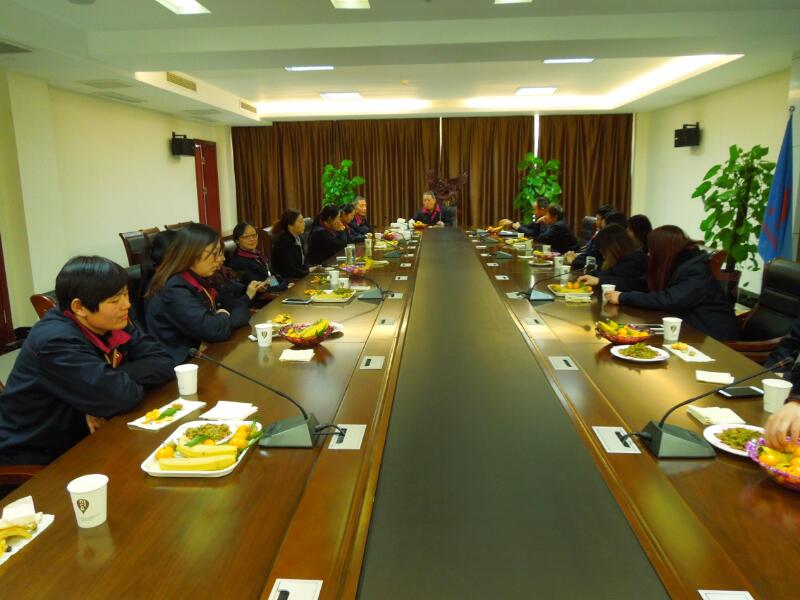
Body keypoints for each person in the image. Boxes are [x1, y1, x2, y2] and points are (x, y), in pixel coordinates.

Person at [0, 256, 175, 466]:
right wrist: (106, 389)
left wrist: (104, 385)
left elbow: (164, 361)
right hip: (38, 455)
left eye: (126, 294)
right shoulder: (56, 341)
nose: (127, 305)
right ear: (79, 307)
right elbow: (122, 396)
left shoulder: (108, 320)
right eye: (115, 300)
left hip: (87, 436)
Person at [604, 225, 738, 340]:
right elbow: (642, 283)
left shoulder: (696, 270)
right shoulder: (675, 264)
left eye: (652, 249)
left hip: (711, 337)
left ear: (663, 250)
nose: (649, 254)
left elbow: (670, 300)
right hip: (687, 329)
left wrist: (623, 297)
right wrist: (602, 281)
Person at [145, 223, 255, 363]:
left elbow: (239, 308)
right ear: (192, 253)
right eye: (214, 253)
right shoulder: (174, 289)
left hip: (206, 353)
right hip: (182, 365)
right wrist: (223, 314)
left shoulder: (202, 278)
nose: (220, 259)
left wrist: (221, 319)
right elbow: (213, 330)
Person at [577, 224, 647, 292]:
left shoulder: (634, 260)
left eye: (603, 251)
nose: (603, 256)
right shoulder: (621, 257)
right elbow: (607, 273)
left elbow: (626, 283)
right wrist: (592, 274)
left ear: (613, 248)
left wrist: (598, 280)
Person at [566, 204, 617, 269]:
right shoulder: (598, 232)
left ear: (605, 221)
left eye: (598, 219)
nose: (596, 222)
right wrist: (575, 255)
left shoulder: (605, 239)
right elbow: (588, 251)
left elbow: (593, 261)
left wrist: (573, 261)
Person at [270, 209, 309, 280]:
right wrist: (308, 272)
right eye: (300, 222)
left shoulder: (299, 238)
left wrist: (308, 271)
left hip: (299, 276)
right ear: (290, 226)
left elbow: (304, 261)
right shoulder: (284, 242)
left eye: (303, 221)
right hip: (286, 280)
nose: (304, 224)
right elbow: (290, 271)